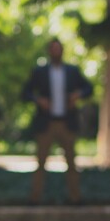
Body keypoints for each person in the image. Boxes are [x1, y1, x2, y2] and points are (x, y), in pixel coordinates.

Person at [22, 38, 93, 206]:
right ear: (49, 51)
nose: (55, 51)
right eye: (52, 48)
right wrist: (39, 100)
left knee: (71, 163)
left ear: (62, 51)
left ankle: (76, 198)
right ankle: (35, 198)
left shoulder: (72, 71)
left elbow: (88, 88)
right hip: (46, 123)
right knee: (40, 162)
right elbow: (26, 92)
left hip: (66, 122)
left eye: (58, 48)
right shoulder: (40, 71)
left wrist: (78, 95)